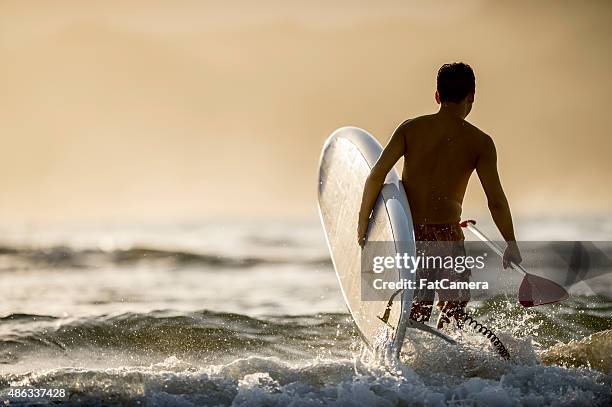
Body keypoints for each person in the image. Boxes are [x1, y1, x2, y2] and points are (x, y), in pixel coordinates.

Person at [357, 62, 522, 328]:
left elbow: (376, 176)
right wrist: (511, 245)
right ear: (471, 98)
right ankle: (446, 361)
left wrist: (363, 223)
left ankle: (409, 358)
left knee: (416, 310)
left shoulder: (410, 130)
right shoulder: (480, 142)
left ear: (437, 96)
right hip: (448, 237)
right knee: (454, 310)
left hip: (410, 237)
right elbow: (496, 202)